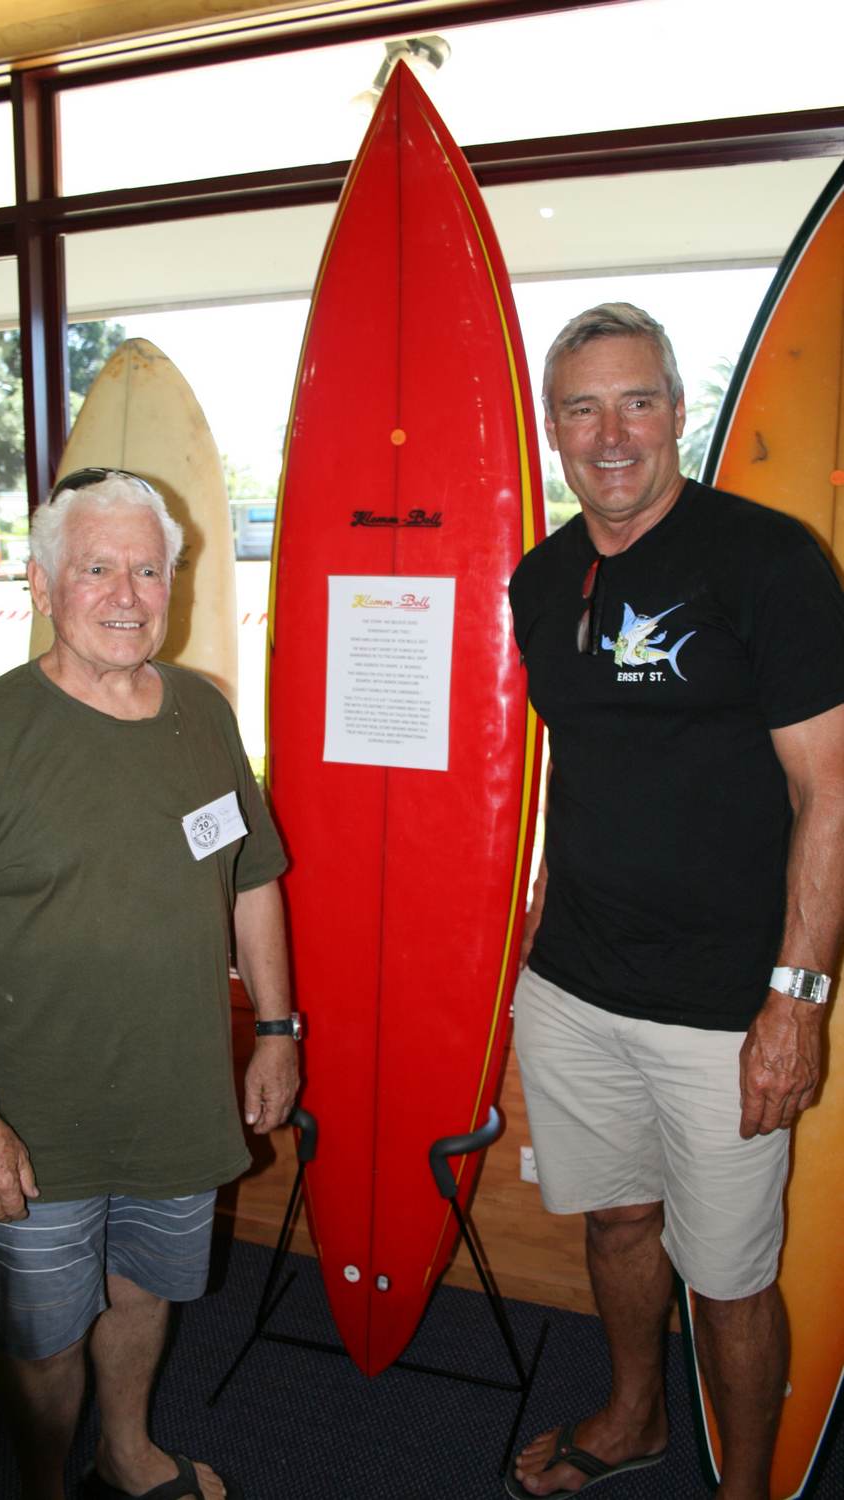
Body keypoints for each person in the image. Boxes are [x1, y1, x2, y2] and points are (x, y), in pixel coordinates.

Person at [0, 469, 299, 1500]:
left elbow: (251, 880)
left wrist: (277, 1030)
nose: (127, 594)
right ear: (41, 584)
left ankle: (125, 1452)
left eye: (148, 570)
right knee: (40, 1338)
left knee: (145, 1289)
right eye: (97, 569)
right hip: (35, 1118)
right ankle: (42, 1483)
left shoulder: (203, 714)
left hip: (174, 1099)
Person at [505, 304, 844, 1500]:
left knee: (729, 1279)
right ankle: (634, 1415)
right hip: (574, 985)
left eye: (636, 401)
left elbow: (829, 791)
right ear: (553, 427)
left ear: (677, 412)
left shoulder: (767, 562)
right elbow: (587, 753)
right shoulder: (541, 578)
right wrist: (544, 901)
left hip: (725, 1008)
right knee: (612, 1221)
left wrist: (795, 1002)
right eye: (582, 408)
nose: (611, 435)